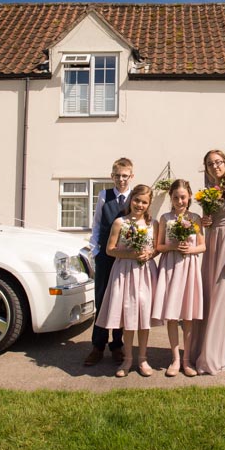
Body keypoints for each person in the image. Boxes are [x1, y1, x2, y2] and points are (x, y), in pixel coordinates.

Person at [190, 149, 225, 375]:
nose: (215, 166)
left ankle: (215, 356)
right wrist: (205, 221)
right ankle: (201, 352)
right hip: (211, 246)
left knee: (223, 302)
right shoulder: (208, 193)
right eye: (210, 164)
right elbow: (208, 225)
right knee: (209, 300)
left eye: (218, 162)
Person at [96, 184, 158, 377]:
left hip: (145, 273)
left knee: (143, 316)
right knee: (129, 315)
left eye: (144, 202)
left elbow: (156, 248)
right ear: (131, 199)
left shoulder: (153, 224)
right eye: (137, 200)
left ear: (149, 204)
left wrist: (150, 253)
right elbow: (109, 249)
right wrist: (130, 253)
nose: (139, 205)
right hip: (124, 271)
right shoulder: (119, 222)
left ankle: (143, 359)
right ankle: (127, 359)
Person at [83, 157, 135, 368]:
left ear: (131, 176)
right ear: (112, 176)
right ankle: (98, 346)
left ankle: (117, 344)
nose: (121, 180)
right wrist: (95, 249)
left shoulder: (134, 197)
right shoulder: (104, 195)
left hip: (125, 257)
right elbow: (96, 224)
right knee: (102, 298)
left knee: (121, 300)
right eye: (117, 176)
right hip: (105, 255)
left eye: (125, 176)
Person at [151, 179, 205, 377]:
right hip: (171, 268)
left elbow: (202, 246)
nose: (180, 201)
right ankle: (174, 359)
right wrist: (173, 246)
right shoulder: (165, 218)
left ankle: (187, 359)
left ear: (189, 196)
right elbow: (159, 246)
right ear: (171, 198)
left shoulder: (195, 218)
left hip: (189, 267)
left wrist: (190, 249)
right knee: (173, 315)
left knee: (188, 315)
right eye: (175, 198)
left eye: (183, 197)